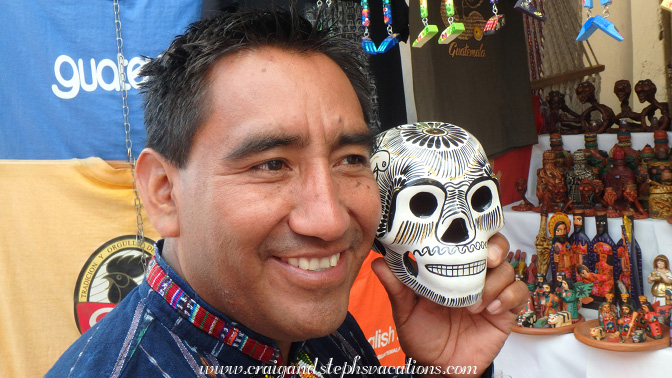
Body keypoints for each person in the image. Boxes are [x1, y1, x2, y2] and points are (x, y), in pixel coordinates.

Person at [45, 7, 526, 377]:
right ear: (165, 193)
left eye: (350, 160)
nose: (331, 220)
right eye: (271, 164)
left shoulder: (304, 327)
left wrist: (446, 369)